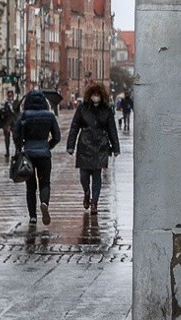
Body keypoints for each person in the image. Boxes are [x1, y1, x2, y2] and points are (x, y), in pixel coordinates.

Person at [66, 82, 120, 215]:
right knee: (84, 175)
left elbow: (112, 129)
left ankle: (94, 202)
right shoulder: (82, 108)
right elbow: (74, 127)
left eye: (98, 95)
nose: (96, 97)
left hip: (100, 145)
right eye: (94, 94)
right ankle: (86, 192)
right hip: (85, 143)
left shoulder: (106, 110)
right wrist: (70, 145)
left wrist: (115, 147)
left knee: (97, 175)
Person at [12, 89, 61, 226]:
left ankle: (33, 217)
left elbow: (16, 135)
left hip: (28, 154)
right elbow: (57, 137)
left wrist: (20, 147)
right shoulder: (50, 116)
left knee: (30, 186)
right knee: (45, 183)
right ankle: (44, 203)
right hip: (44, 154)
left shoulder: (24, 115)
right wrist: (47, 146)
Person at [0, 89, 19, 160]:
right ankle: (7, 151)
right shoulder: (4, 102)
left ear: (13, 95)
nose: (10, 96)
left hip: (14, 122)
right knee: (6, 138)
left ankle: (16, 151)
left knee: (15, 137)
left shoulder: (16, 102)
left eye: (11, 94)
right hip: (6, 122)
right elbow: (1, 112)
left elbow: (18, 111)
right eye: (8, 95)